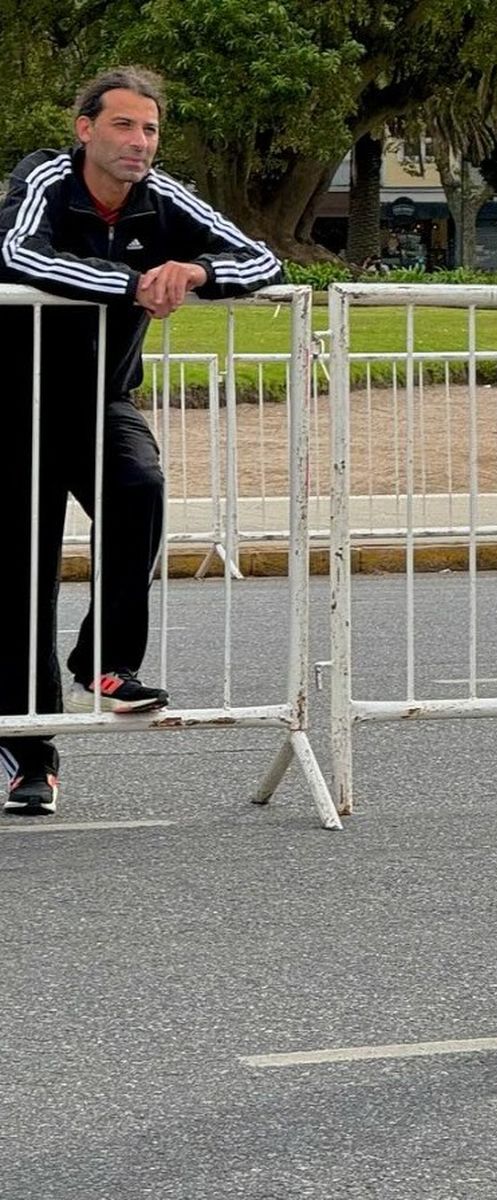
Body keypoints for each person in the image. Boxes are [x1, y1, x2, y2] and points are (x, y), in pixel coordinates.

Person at [0, 66, 282, 816]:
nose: (140, 142)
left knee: (140, 488)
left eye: (150, 128)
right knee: (24, 580)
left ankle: (108, 663)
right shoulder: (42, 181)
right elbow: (15, 256)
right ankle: (32, 757)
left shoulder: (164, 195)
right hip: (14, 404)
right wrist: (129, 282)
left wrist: (195, 271)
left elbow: (264, 260)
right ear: (84, 129)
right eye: (123, 125)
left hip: (100, 400)